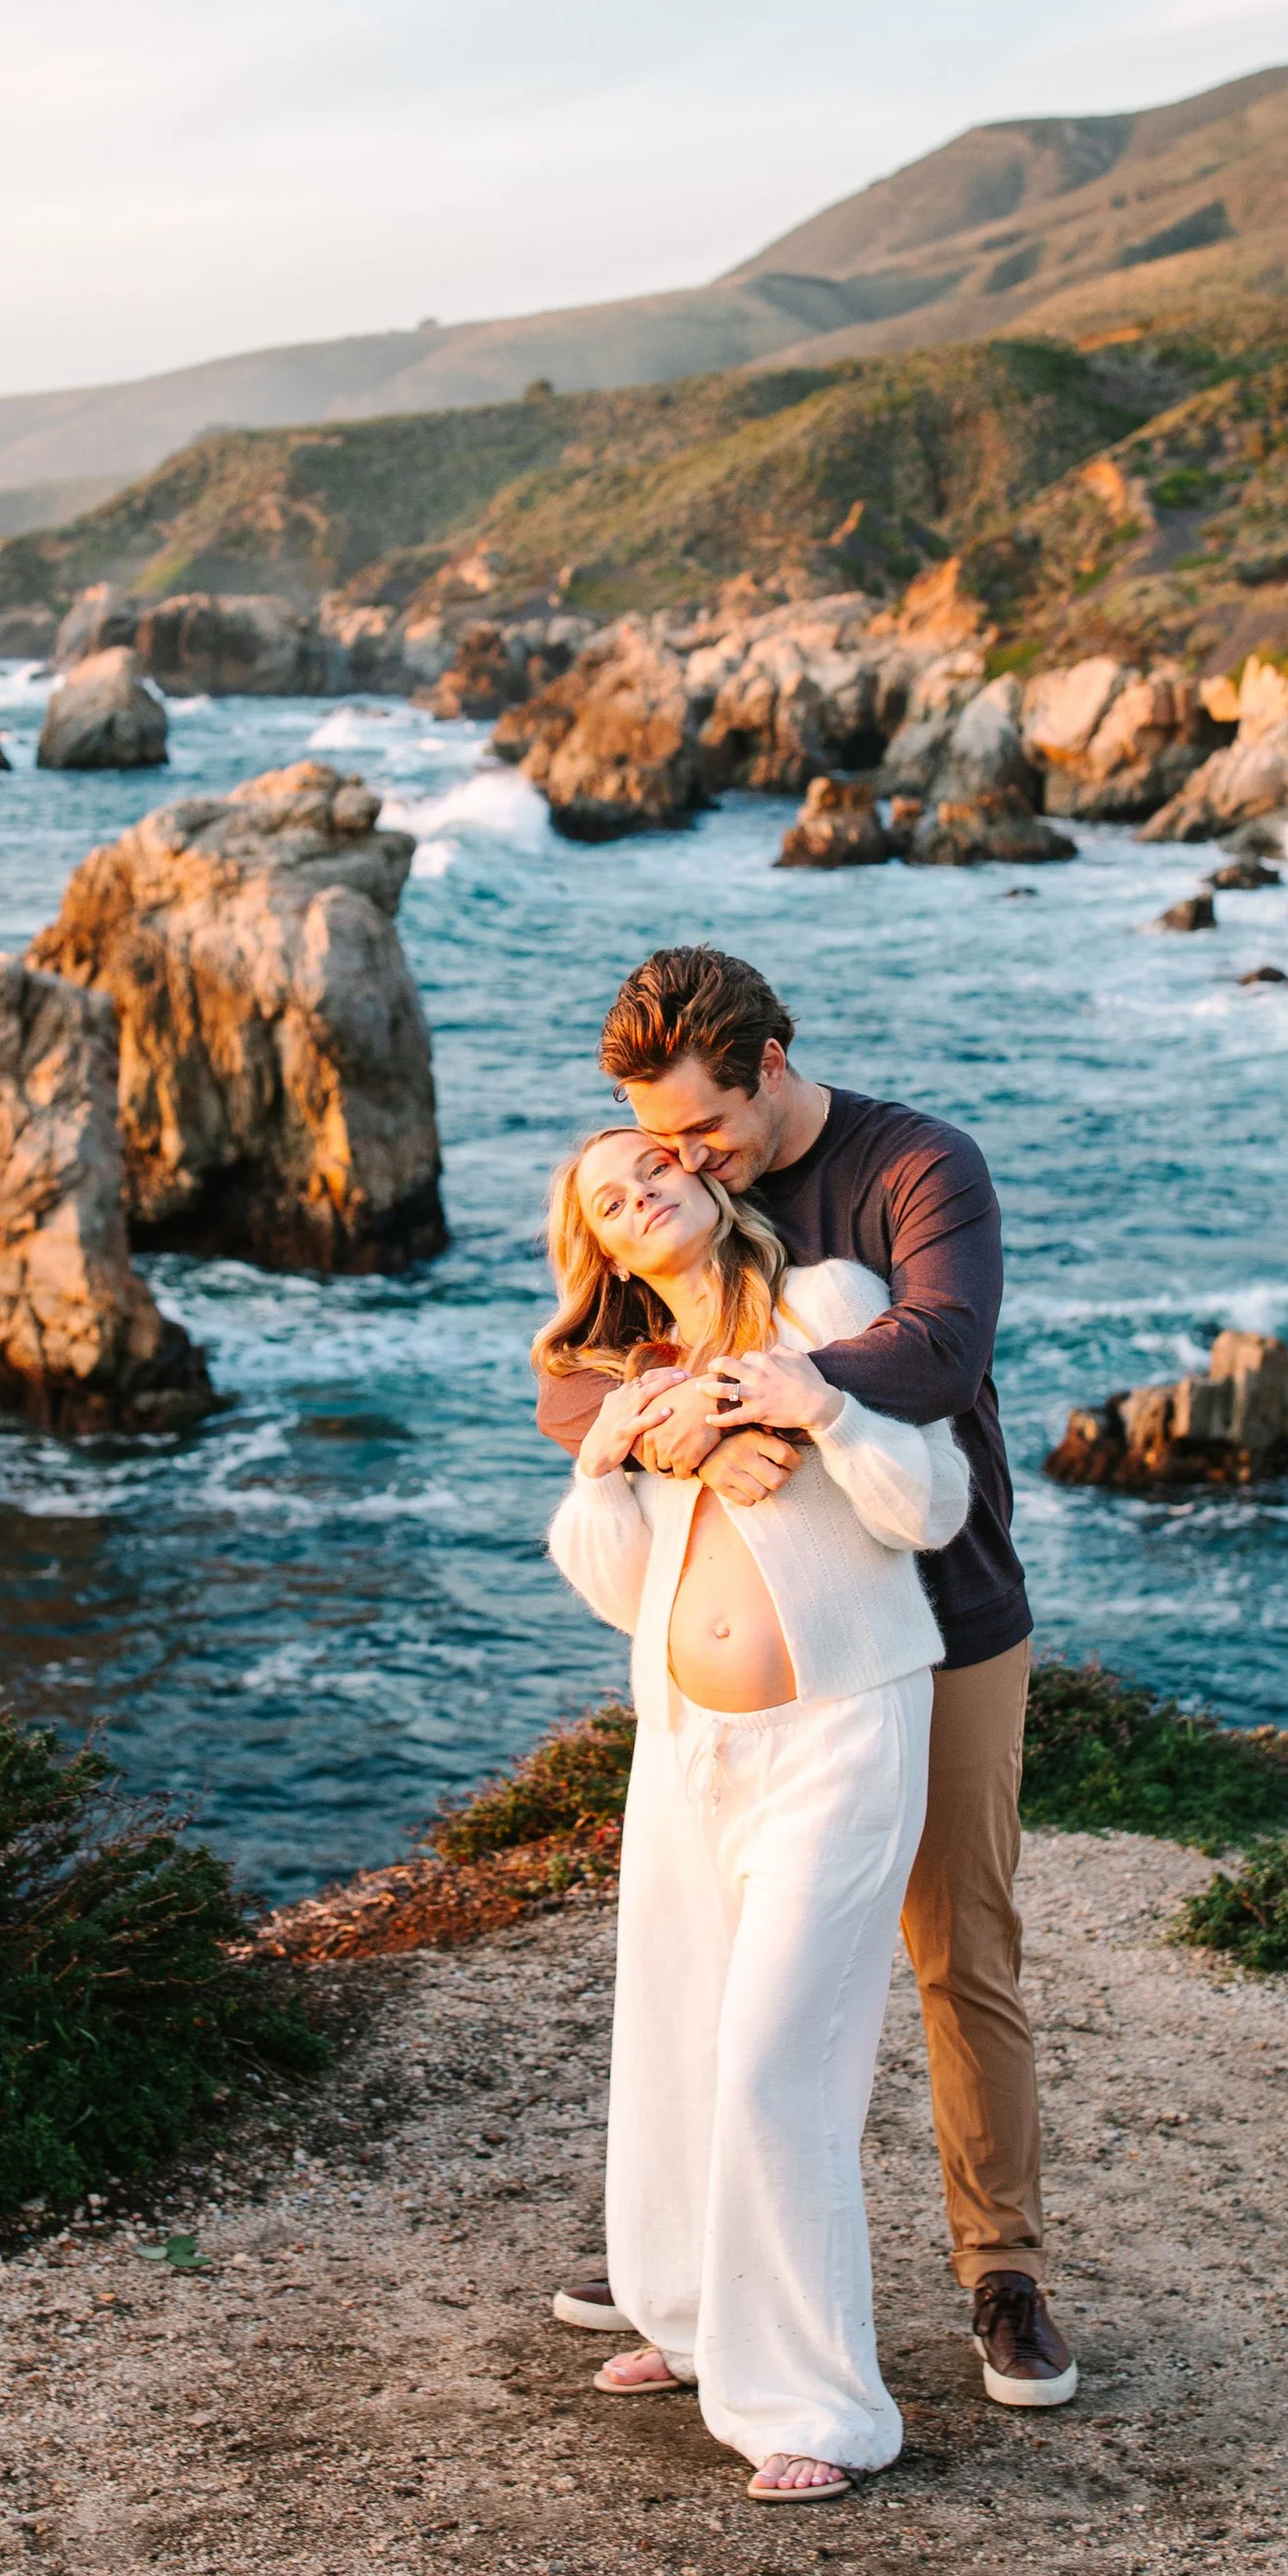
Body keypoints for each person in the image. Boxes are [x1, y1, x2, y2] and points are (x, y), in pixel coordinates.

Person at [535, 943, 1078, 2412]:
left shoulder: (917, 1167)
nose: (679, 1160)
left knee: (956, 1945)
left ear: (770, 1065)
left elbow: (942, 1346)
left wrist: (788, 1393)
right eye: (658, 1139)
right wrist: (672, 1424)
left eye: (703, 1130)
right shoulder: (682, 1182)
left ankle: (1003, 2272)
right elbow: (571, 1370)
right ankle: (704, 2265)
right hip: (764, 1663)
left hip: (942, 1622)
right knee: (722, 1968)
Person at [539, 1124, 971, 2499]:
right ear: (602, 1248)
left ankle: (817, 2406)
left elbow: (935, 1505)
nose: (641, 1190)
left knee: (776, 2054)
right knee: (673, 2031)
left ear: (708, 1178)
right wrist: (604, 1459)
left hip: (841, 1727)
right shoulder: (643, 1375)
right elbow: (615, 1584)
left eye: (653, 1162)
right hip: (684, 1744)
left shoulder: (829, 1306)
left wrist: (820, 1405)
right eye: (610, 1197)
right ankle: (685, 2315)